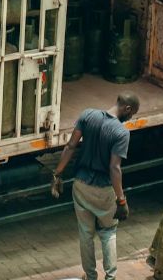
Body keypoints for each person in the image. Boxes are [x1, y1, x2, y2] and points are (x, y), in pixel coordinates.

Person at [50, 92, 140, 280]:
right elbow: (114, 168)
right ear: (127, 109)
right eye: (131, 115)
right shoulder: (121, 133)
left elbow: (70, 146)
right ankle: (110, 277)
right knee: (108, 232)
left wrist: (57, 174)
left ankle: (90, 276)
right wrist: (121, 200)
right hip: (104, 190)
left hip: (81, 185)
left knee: (85, 233)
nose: (129, 119)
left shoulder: (87, 115)